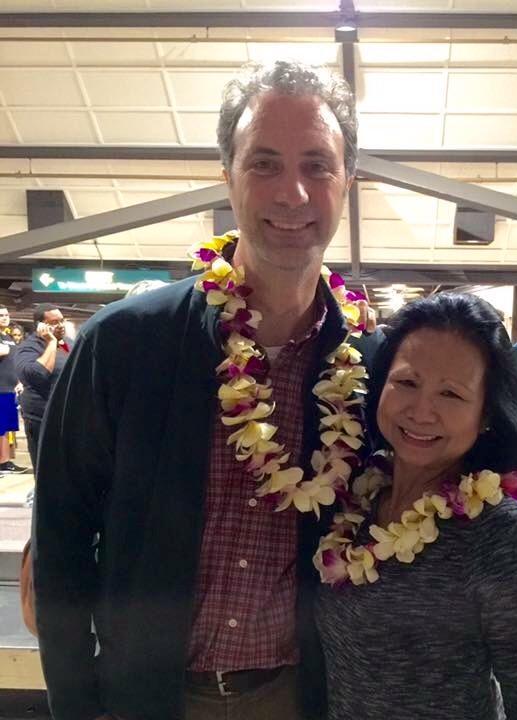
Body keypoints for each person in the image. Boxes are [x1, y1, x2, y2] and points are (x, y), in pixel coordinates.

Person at [33, 61, 378, 720]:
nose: (293, 194)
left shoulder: (372, 368)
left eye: (317, 166)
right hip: (148, 698)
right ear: (226, 177)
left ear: (347, 183)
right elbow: (62, 540)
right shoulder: (124, 345)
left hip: (304, 699)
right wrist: (77, 703)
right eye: (264, 164)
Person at [315, 294, 517, 720]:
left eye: (451, 394)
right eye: (407, 383)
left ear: (486, 414)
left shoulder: (499, 532)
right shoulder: (359, 497)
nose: (421, 411)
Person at [14, 304, 71, 472]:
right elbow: (37, 375)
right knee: (47, 470)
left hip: (67, 417)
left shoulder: (69, 344)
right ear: (40, 326)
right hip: (42, 418)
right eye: (54, 322)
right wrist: (51, 342)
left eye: (62, 320)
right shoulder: (28, 348)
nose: (60, 325)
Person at [0, 306, 27, 475]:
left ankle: (5, 461)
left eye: (6, 315)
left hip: (10, 389)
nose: (4, 317)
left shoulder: (7, 336)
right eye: (1, 315)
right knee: (0, 428)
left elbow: (12, 361)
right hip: (0, 389)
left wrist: (19, 381)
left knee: (7, 429)